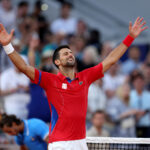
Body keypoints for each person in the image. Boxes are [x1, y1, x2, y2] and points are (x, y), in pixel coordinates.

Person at [0, 17, 147, 150]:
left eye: (70, 52)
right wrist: (7, 46)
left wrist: (130, 37)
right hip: (60, 144)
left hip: (81, 143)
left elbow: (111, 60)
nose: (70, 54)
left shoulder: (86, 77)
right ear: (57, 62)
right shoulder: (50, 80)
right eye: (65, 54)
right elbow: (24, 67)